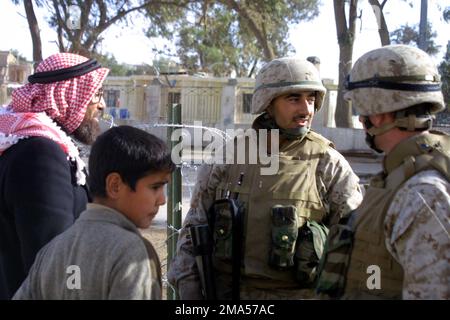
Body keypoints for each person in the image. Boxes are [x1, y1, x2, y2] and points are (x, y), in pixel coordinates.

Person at [168, 57, 363, 300]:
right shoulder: (229, 157)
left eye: (311, 100)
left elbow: (356, 242)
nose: (306, 110)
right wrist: (192, 295)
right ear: (267, 103)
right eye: (294, 99)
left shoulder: (327, 163)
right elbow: (191, 235)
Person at [316, 45, 450, 300]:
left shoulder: (422, 195)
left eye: (361, 109)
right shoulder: (407, 176)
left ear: (378, 113)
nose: (360, 119)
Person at [13, 125, 174, 299]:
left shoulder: (52, 250)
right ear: (115, 185)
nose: (162, 200)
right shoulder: (132, 251)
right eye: (155, 187)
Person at [0, 53, 109, 299]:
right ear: (67, 95)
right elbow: (55, 262)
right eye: (96, 94)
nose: (101, 105)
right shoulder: (40, 154)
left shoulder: (20, 143)